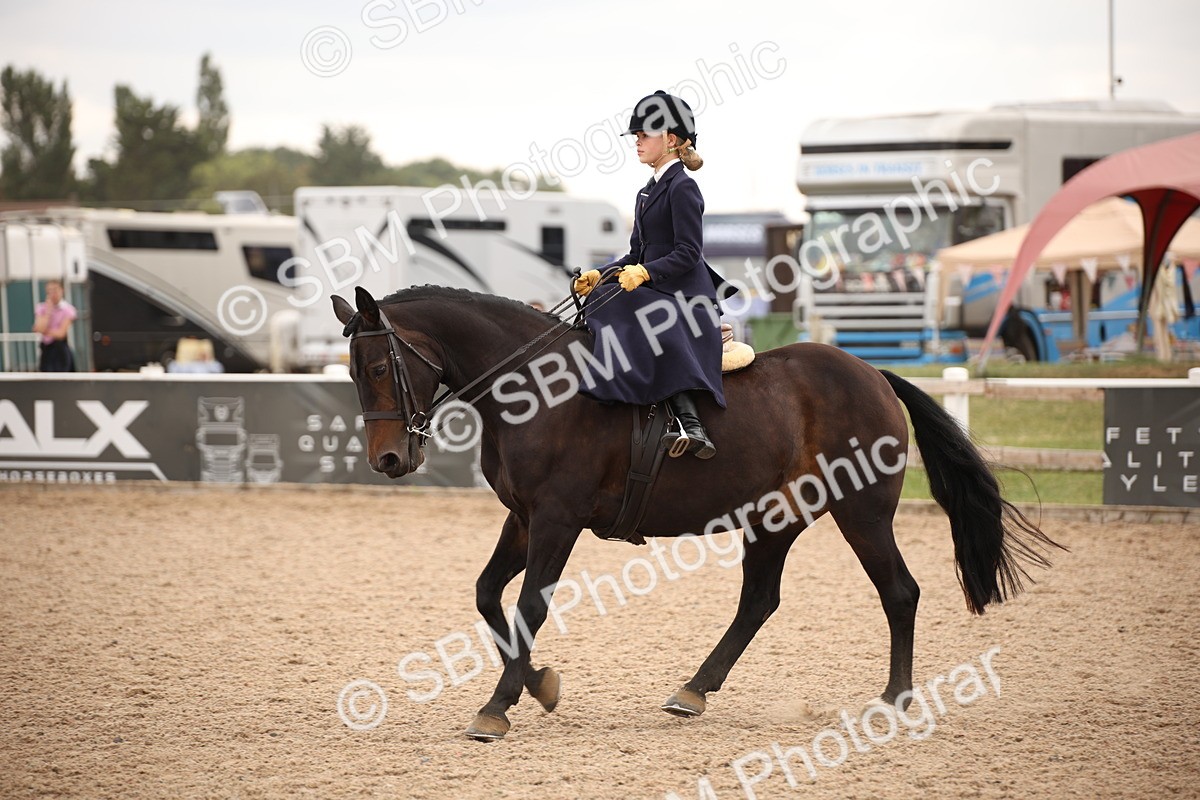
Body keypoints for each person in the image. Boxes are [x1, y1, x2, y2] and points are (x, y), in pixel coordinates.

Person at [573, 90, 735, 459]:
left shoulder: (683, 187)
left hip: (685, 294)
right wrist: (601, 273)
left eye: (644, 135)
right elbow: (635, 253)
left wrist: (646, 273)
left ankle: (690, 423)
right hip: (658, 286)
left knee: (628, 308)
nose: (637, 141)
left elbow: (689, 252)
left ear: (671, 140)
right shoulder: (646, 192)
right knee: (603, 294)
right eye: (636, 135)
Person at [32, 279, 76, 372]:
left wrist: (44, 331)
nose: (53, 294)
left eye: (55, 290)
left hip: (60, 349)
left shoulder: (68, 310)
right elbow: (39, 327)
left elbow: (61, 334)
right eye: (49, 291)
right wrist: (48, 312)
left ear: (62, 290)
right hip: (46, 349)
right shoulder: (41, 308)